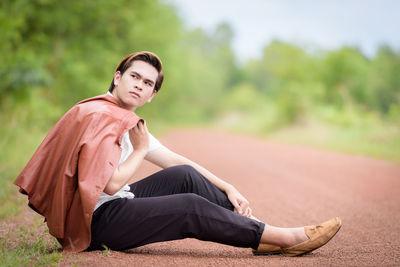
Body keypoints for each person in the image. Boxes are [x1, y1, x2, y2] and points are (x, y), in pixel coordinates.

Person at [15, 51, 341, 257]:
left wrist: (228, 186)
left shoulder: (122, 117)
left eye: (147, 83)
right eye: (133, 77)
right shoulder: (104, 117)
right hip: (94, 224)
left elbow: (177, 161)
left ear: (152, 95)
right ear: (118, 77)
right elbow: (112, 184)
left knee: (184, 176)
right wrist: (140, 150)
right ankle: (284, 238)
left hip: (109, 209)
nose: (139, 85)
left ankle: (257, 228)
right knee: (189, 208)